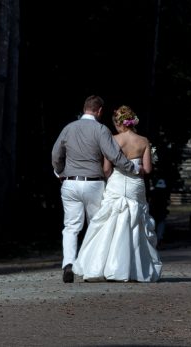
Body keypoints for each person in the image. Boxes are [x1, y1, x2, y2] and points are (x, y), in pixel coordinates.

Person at [51, 95, 138, 283]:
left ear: (85, 108)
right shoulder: (101, 129)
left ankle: (68, 263)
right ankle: (92, 267)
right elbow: (114, 155)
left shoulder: (68, 128)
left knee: (71, 226)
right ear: (99, 111)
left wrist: (59, 172)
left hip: (70, 182)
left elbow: (56, 153)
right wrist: (133, 168)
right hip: (93, 182)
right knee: (96, 225)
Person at [72, 105, 162, 282]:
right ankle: (134, 270)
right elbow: (148, 169)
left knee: (109, 222)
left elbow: (106, 169)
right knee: (135, 223)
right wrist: (136, 169)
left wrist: (112, 178)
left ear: (118, 123)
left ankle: (103, 267)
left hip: (117, 183)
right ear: (132, 121)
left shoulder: (113, 140)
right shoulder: (143, 141)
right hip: (136, 185)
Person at [149, 178, 170, 245]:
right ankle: (159, 238)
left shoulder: (154, 192)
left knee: (155, 225)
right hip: (159, 212)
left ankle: (155, 239)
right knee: (160, 225)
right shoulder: (164, 193)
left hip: (155, 211)